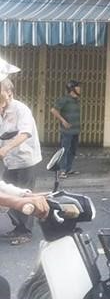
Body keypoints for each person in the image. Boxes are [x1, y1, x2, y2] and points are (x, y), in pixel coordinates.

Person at [0, 78, 42, 245]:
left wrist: (5, 149)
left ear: (10, 93)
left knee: (25, 193)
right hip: (9, 161)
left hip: (25, 158)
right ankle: (18, 227)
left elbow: (25, 133)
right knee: (9, 194)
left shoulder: (21, 109)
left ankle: (26, 231)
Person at [50, 80, 81, 178]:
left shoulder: (76, 100)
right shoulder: (65, 99)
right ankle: (62, 170)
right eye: (77, 87)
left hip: (75, 130)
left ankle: (68, 168)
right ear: (72, 89)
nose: (80, 88)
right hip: (67, 131)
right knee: (65, 150)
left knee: (72, 150)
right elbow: (53, 110)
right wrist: (63, 121)